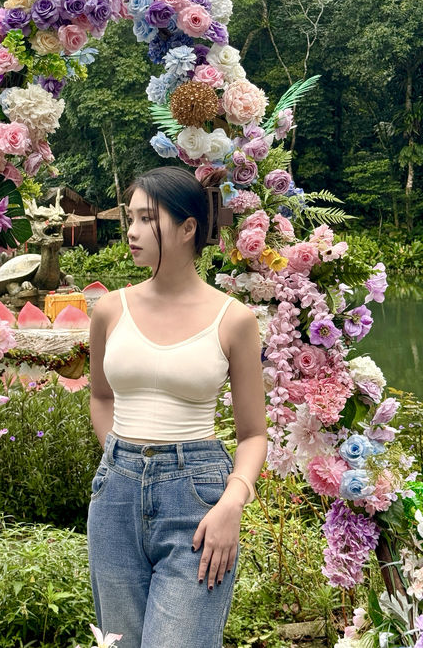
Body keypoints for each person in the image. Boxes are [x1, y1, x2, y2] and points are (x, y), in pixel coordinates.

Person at [87, 166, 268, 648]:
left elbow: (254, 434)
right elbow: (101, 398)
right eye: (130, 218)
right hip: (115, 498)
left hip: (197, 500)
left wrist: (232, 503)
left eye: (147, 219)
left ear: (188, 228)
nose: (132, 231)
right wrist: (119, 461)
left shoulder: (234, 319)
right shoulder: (109, 310)